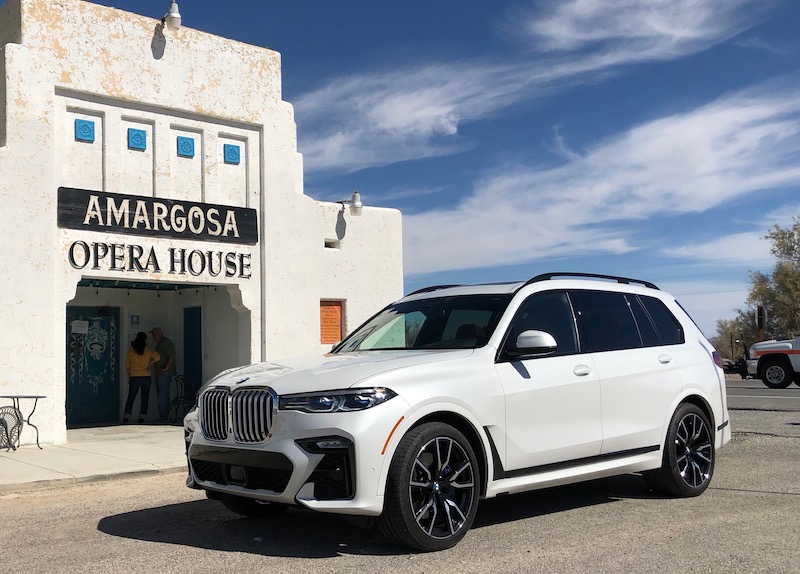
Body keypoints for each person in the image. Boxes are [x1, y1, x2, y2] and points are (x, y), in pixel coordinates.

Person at [123, 332, 160, 424]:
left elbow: (127, 365)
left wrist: (129, 377)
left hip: (134, 376)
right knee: (144, 398)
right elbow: (158, 357)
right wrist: (149, 365)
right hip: (146, 376)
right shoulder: (148, 349)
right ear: (145, 340)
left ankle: (126, 417)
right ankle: (142, 418)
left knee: (131, 397)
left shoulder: (131, 350)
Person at [150, 327, 176, 423]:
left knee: (163, 396)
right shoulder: (159, 344)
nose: (153, 336)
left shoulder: (166, 342)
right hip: (159, 374)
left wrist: (166, 368)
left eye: (154, 334)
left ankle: (164, 417)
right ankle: (163, 416)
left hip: (164, 374)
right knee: (161, 395)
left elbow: (172, 355)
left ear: (160, 334)